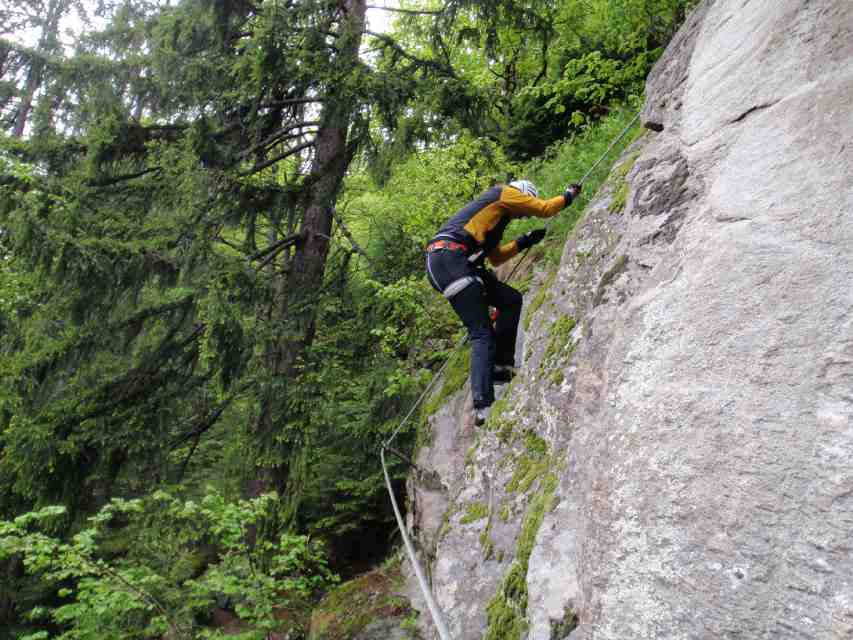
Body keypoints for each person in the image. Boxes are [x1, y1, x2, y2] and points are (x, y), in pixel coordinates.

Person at [426, 179, 582, 425]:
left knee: (510, 300)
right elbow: (544, 209)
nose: (521, 216)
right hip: (450, 259)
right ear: (521, 195)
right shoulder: (503, 193)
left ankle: (500, 365)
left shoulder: (494, 223)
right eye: (522, 209)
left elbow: (497, 258)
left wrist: (524, 241)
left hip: (450, 263)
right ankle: (482, 404)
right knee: (481, 333)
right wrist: (569, 195)